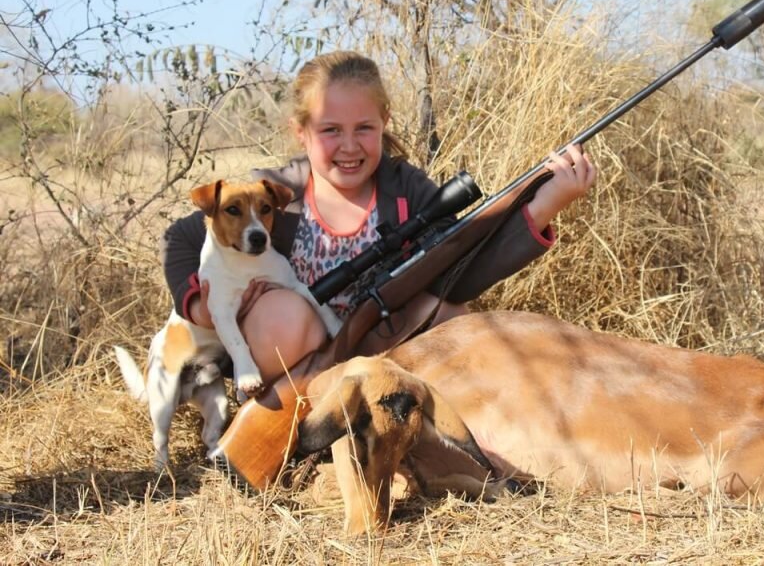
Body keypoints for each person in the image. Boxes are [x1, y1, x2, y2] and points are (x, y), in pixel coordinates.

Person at [162, 50, 597, 385]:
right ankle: (285, 422)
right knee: (285, 315)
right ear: (301, 131)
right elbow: (179, 239)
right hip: (293, 355)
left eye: (364, 129)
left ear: (384, 121)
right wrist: (199, 305)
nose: (349, 146)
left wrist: (545, 205)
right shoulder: (272, 193)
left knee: (450, 315)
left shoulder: (410, 192)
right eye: (331, 130)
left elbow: (461, 276)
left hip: (379, 341)